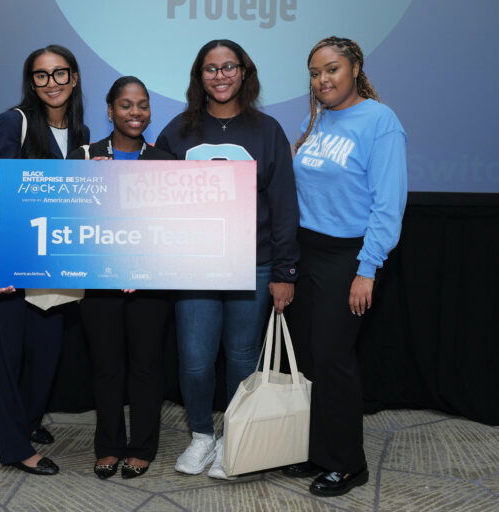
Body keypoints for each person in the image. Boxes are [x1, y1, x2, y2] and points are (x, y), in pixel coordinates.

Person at [155, 39, 299, 480]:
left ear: (244, 72)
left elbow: (283, 205)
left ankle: (235, 438)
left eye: (228, 67)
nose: (220, 76)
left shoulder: (266, 130)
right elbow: (151, 197)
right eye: (210, 69)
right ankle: (201, 435)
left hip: (253, 265)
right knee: (195, 360)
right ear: (199, 77)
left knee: (241, 359)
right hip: (193, 267)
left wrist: (284, 271)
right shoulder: (178, 131)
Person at [283, 36, 407, 496]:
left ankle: (349, 463)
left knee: (335, 361)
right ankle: (319, 452)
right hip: (307, 252)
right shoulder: (314, 118)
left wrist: (367, 268)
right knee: (312, 358)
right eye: (315, 73)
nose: (322, 80)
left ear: (355, 67)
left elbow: (388, 204)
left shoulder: (380, 121)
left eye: (331, 69)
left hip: (348, 256)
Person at [0, 44, 89, 476]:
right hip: (6, 252)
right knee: (6, 354)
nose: (52, 83)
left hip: (52, 254)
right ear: (31, 82)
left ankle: (27, 421)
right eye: (41, 76)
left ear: (74, 78)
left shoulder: (82, 132)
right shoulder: (15, 121)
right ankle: (16, 446)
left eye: (60, 73)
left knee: (46, 348)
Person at [68, 76, 173, 480]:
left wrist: (142, 267)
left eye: (143, 105)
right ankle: (108, 446)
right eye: (126, 105)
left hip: (149, 284)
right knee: (106, 367)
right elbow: (72, 221)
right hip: (98, 283)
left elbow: (170, 227)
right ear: (110, 111)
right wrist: (86, 182)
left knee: (146, 367)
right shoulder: (84, 156)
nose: (136, 113)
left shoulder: (164, 160)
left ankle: (142, 447)